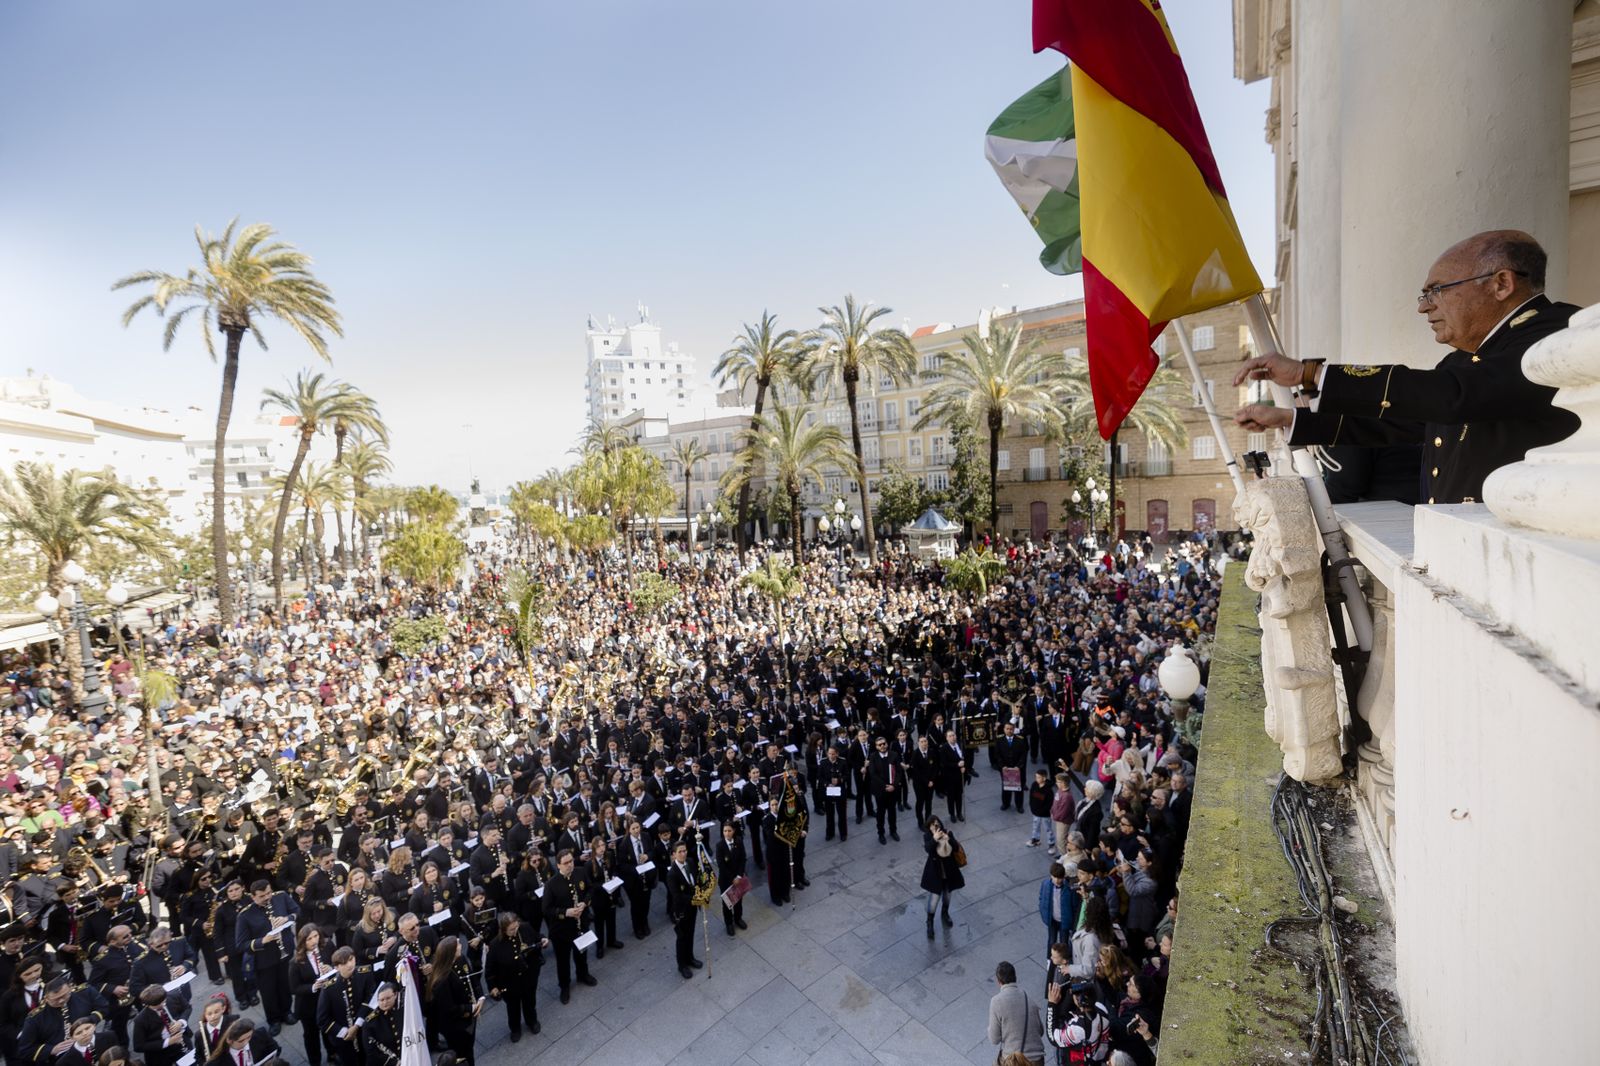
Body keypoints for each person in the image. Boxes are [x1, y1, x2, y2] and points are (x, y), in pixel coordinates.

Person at [1234, 229, 1580, 505]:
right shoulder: (1467, 358)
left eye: (1437, 291)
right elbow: (1406, 423)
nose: (1424, 307)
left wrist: (1309, 374)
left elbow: (1455, 396)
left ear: (1501, 284)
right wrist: (1293, 420)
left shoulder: (1558, 333)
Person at [540, 849, 596, 1005]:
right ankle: (564, 986)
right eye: (566, 863)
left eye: (571, 861)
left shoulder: (580, 872)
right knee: (563, 960)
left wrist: (585, 903)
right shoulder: (551, 884)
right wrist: (566, 912)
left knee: (581, 952)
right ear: (558, 865)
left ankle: (582, 974)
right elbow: (547, 909)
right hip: (562, 930)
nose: (570, 865)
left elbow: (590, 889)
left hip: (581, 924)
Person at [484, 913, 545, 1042]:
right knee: (513, 1008)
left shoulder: (525, 928)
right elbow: (490, 969)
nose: (515, 931)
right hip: (509, 983)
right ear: (503, 929)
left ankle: (531, 1021)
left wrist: (543, 940)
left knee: (530, 1001)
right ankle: (515, 1029)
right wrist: (493, 986)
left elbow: (537, 937)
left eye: (516, 927)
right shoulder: (495, 945)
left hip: (529, 977)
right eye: (511, 929)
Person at [423, 936, 480, 1066]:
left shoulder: (461, 960)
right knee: (463, 1054)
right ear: (451, 952)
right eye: (458, 945)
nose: (461, 946)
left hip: (467, 1020)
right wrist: (471, 1008)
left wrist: (480, 997)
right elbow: (450, 1009)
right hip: (456, 1027)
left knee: (468, 1048)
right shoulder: (441, 981)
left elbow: (471, 979)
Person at [986, 961, 1045, 1066]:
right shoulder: (1029, 999)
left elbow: (994, 1039)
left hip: (1014, 1061)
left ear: (998, 981)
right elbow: (1040, 1031)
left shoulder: (996, 1001)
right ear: (1015, 977)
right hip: (1036, 1060)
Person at [314, 948, 360, 1066]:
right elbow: (322, 1020)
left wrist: (357, 1025)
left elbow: (368, 1001)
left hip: (361, 1029)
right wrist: (345, 1032)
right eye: (344, 963)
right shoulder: (329, 989)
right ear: (336, 968)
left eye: (351, 959)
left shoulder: (363, 975)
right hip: (344, 1036)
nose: (350, 964)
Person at [920, 816, 964, 937]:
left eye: (937, 824)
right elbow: (928, 849)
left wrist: (948, 839)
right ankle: (930, 922)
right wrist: (935, 839)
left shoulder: (948, 832)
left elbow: (956, 848)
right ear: (929, 827)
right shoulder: (928, 837)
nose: (936, 826)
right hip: (936, 875)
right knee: (933, 901)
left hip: (949, 872)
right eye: (932, 825)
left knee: (947, 897)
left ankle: (945, 914)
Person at [664, 841, 702, 980]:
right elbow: (677, 896)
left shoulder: (690, 862)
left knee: (691, 933)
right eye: (680, 852)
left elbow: (695, 879)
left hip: (692, 907)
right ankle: (682, 965)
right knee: (682, 938)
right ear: (674, 855)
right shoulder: (672, 874)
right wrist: (694, 897)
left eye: (684, 851)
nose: (683, 854)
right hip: (682, 911)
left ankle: (690, 957)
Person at [713, 822, 748, 937]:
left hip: (738, 877)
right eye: (724, 831)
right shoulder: (720, 846)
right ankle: (729, 923)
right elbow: (721, 865)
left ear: (733, 831)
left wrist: (739, 876)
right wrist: (732, 878)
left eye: (729, 831)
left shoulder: (738, 841)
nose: (727, 833)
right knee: (727, 903)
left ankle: (738, 919)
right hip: (726, 880)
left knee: (738, 900)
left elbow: (743, 858)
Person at [1038, 862, 1077, 957]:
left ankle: (1064, 960)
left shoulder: (1069, 889)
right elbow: (1041, 898)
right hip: (1052, 919)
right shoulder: (1046, 884)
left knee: (1064, 942)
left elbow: (1074, 905)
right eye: (1055, 877)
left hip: (1064, 920)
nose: (1057, 880)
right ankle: (1050, 960)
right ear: (1051, 875)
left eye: (1060, 878)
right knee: (1051, 940)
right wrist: (1042, 910)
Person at [867, 737, 900, 845]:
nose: (882, 746)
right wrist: (885, 785)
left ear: (887, 744)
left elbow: (899, 772)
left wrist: (893, 786)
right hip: (880, 790)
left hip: (892, 790)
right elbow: (873, 773)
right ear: (876, 747)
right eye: (879, 745)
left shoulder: (894, 755)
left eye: (883, 744)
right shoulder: (873, 756)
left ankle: (893, 830)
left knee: (892, 812)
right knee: (880, 813)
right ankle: (881, 833)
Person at [205, 1018, 280, 1066]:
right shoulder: (218, 1062)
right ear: (229, 1040)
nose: (246, 1042)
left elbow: (276, 1049)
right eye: (241, 1041)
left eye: (249, 1036)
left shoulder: (260, 1035)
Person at [1026, 769, 1053, 848]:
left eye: (1038, 777)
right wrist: (1032, 807)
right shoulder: (1034, 785)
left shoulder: (1048, 790)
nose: (1036, 779)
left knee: (1048, 829)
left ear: (1044, 778)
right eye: (1036, 777)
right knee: (1035, 827)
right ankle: (1035, 840)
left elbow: (1049, 804)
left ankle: (1051, 844)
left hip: (1045, 814)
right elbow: (1031, 797)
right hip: (1036, 812)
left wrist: (1041, 811)